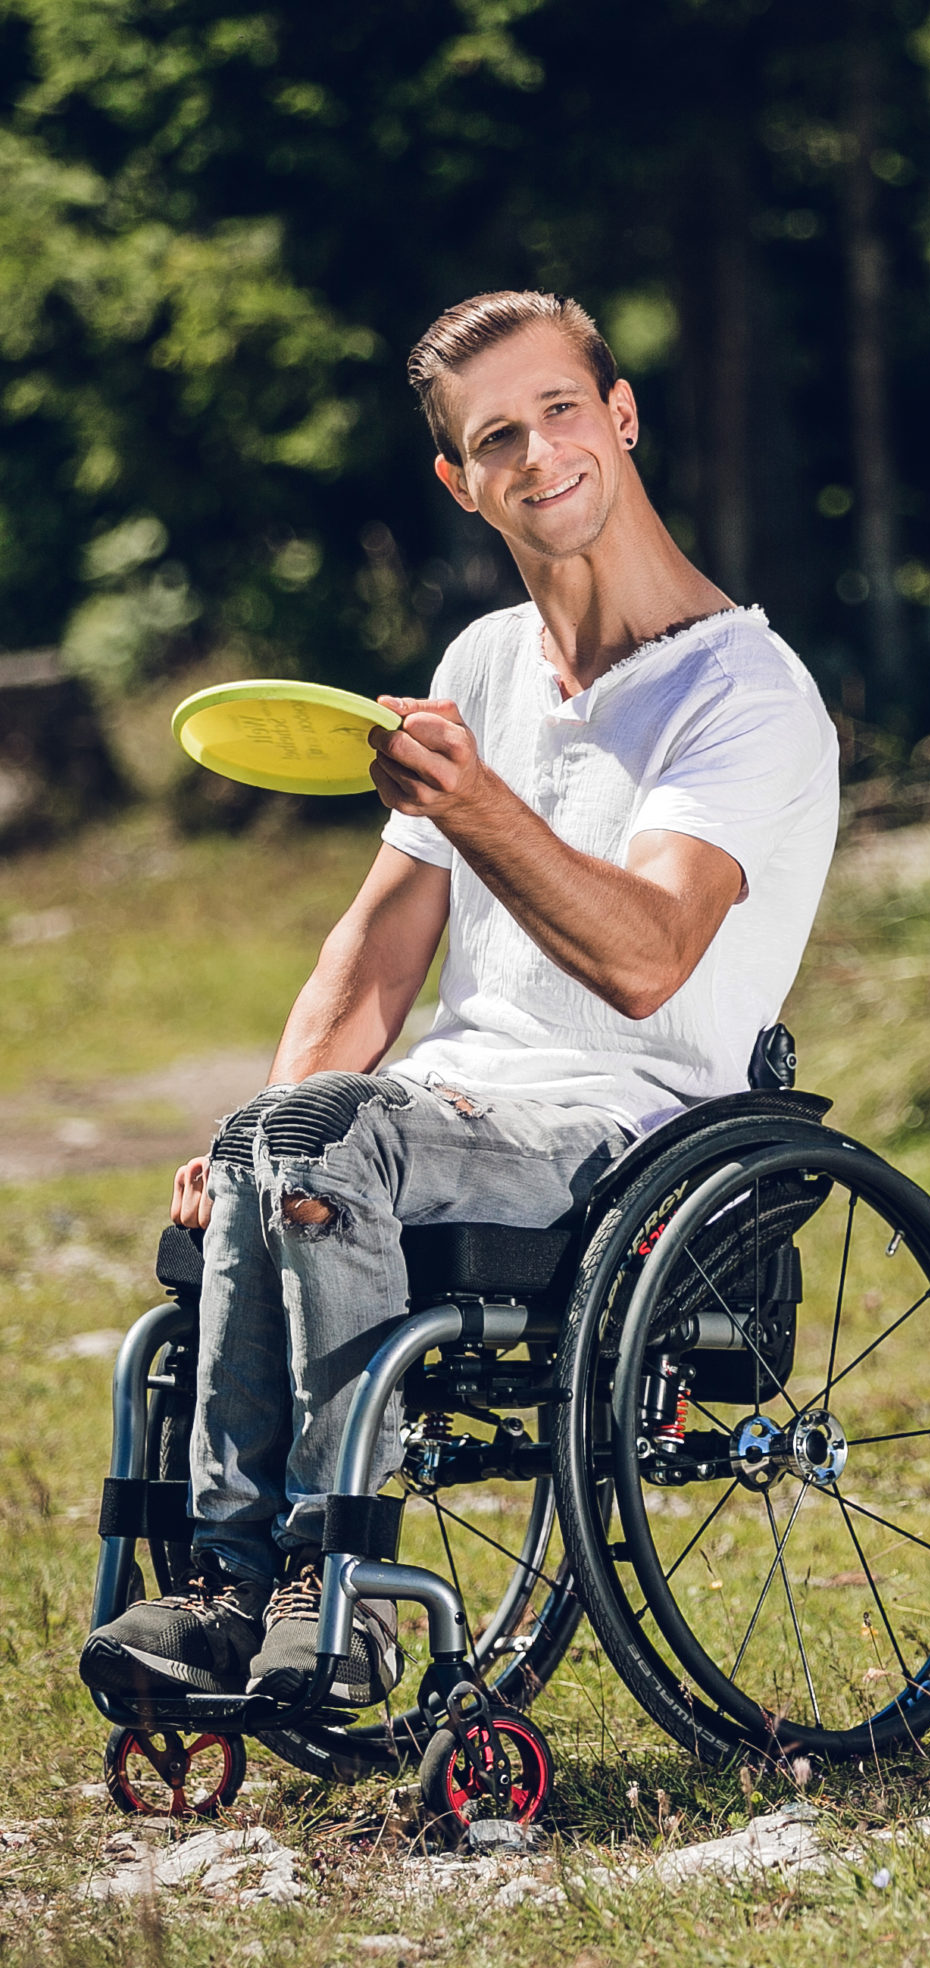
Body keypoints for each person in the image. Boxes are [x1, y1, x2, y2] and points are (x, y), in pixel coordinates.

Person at [78, 290, 841, 1707]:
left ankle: (332, 1588)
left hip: (631, 1140)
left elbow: (648, 955)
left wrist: (484, 806)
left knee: (322, 1141)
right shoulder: (482, 665)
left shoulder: (746, 693)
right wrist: (253, 1132)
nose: (540, 453)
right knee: (287, 1139)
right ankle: (221, 1592)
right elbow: (374, 954)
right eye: (500, 437)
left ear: (621, 416)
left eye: (564, 410)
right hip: (429, 1124)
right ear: (462, 480)